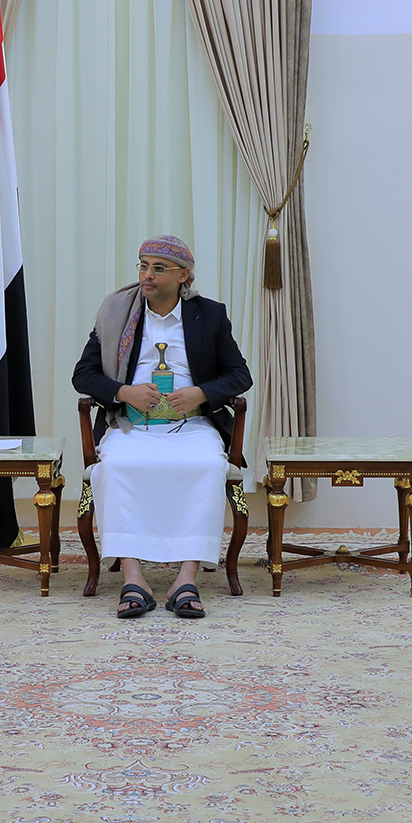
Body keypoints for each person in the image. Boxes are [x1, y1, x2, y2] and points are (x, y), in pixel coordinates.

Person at [71, 235, 251, 619]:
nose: (146, 275)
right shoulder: (116, 311)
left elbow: (240, 376)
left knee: (205, 467)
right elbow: (82, 375)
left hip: (192, 425)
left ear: (184, 275)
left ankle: (185, 580)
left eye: (157, 267)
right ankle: (134, 580)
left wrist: (201, 393)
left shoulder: (210, 315)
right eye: (142, 265)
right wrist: (124, 391)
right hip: (131, 425)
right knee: (115, 467)